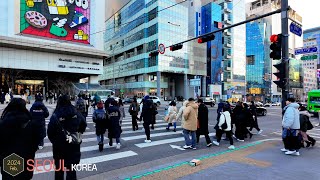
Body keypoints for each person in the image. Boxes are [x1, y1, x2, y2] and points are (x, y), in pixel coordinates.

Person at [47, 95, 87, 180]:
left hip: (59, 148)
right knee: (71, 170)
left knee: (59, 171)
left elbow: (50, 132)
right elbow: (83, 124)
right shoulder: (76, 112)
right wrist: (78, 133)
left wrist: (56, 141)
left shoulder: (55, 115)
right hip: (73, 146)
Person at [0, 98, 41, 180]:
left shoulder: (3, 122)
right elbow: (36, 141)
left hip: (8, 158)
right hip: (25, 158)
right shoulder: (30, 122)